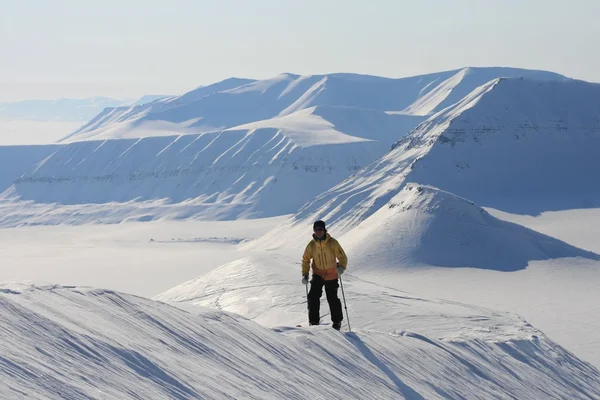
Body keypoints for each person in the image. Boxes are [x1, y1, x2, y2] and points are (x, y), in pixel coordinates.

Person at [301, 220, 348, 330]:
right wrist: (305, 274)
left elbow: (342, 256)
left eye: (320, 229)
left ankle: (337, 322)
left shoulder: (332, 242)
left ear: (324, 230)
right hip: (318, 274)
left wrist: (341, 267)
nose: (318, 232)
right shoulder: (311, 245)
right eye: (316, 229)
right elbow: (305, 259)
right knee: (313, 297)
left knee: (332, 298)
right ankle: (314, 322)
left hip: (332, 274)